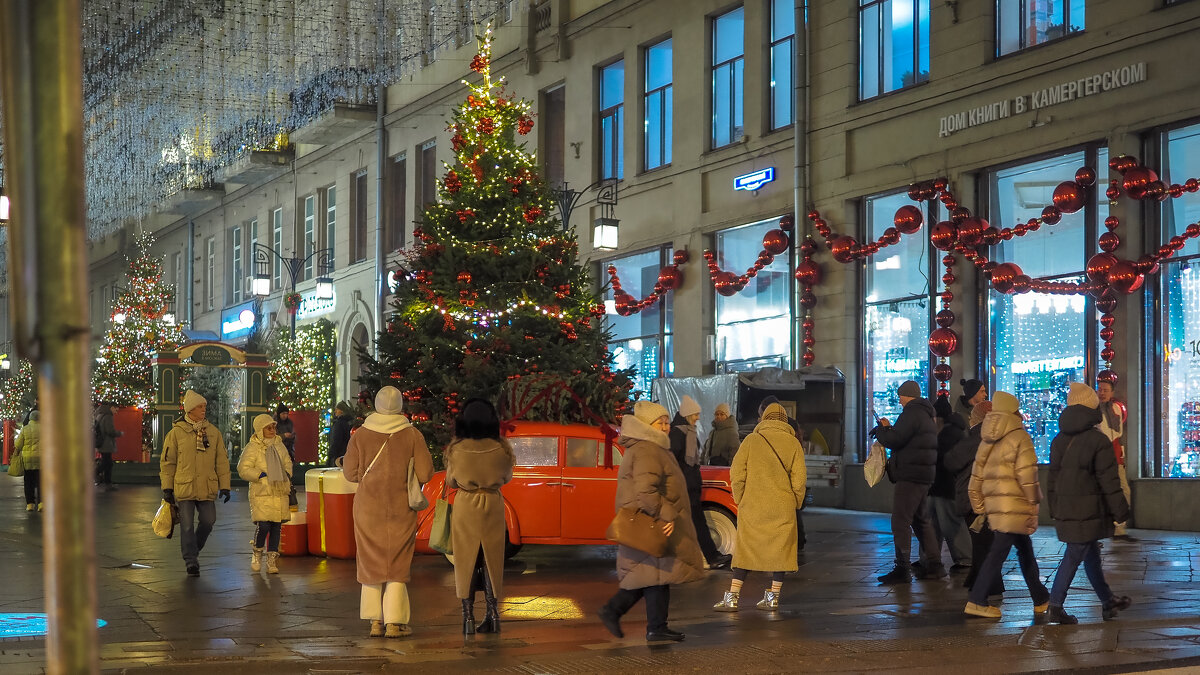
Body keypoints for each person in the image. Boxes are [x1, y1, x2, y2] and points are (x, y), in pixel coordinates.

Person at [598, 401, 705, 643]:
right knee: (654, 574)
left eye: (667, 422)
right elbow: (646, 490)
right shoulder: (648, 449)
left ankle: (641, 621)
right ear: (648, 425)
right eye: (661, 422)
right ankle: (648, 624)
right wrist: (665, 513)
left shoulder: (650, 447)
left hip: (649, 519)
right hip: (651, 520)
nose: (666, 427)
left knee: (653, 575)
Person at [342, 386, 434, 639]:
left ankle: (374, 622)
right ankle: (395, 623)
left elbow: (350, 474)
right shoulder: (412, 434)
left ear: (377, 404)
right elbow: (426, 473)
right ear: (401, 405)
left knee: (370, 561)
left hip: (367, 508)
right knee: (397, 563)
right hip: (401, 508)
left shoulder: (361, 434)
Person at [1045, 382, 1132, 625]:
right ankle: (1055, 604)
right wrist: (1121, 510)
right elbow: (1108, 479)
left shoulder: (1059, 440)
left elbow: (1052, 478)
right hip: (1088, 509)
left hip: (1067, 508)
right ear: (1092, 407)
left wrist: (1053, 507)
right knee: (1074, 555)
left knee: (1090, 554)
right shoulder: (1098, 440)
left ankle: (1107, 601)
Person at [963, 391, 1050, 619]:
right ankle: (977, 600)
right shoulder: (1019, 437)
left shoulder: (986, 437)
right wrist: (1034, 503)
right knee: (998, 553)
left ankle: (1040, 598)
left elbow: (976, 477)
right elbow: (1027, 476)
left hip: (996, 506)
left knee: (1024, 550)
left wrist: (980, 506)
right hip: (1015, 506)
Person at [713, 402, 807, 612]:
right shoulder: (793, 443)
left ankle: (732, 598)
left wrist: (740, 498)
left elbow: (737, 473)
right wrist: (795, 502)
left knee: (746, 550)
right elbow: (799, 479)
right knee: (780, 553)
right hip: (782, 506)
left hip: (753, 505)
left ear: (764, 418)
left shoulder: (752, 440)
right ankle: (772, 598)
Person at [445, 399, 515, 634]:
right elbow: (507, 478)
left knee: (466, 561)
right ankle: (493, 615)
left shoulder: (456, 449)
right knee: (491, 561)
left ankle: (467, 619)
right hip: (493, 504)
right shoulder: (502, 448)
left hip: (466, 504)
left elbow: (451, 481)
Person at [870, 380, 943, 583]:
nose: (899, 401)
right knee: (921, 521)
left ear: (906, 395)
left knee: (900, 521)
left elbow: (896, 439)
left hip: (911, 475)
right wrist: (885, 430)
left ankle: (902, 569)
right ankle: (935, 566)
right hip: (923, 474)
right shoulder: (925, 414)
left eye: (900, 396)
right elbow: (907, 438)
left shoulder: (912, 412)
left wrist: (882, 430)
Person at [160, 390, 232, 577]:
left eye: (204, 406)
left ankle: (193, 549)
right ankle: (190, 561)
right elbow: (168, 462)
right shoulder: (176, 434)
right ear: (190, 409)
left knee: (208, 521)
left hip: (207, 486)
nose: (204, 410)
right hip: (185, 485)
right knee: (186, 525)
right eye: (200, 406)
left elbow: (222, 461)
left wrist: (225, 485)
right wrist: (167, 488)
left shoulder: (213, 433)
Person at [945, 400, 1001, 595]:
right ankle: (978, 580)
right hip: (993, 496)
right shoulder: (999, 435)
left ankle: (988, 587)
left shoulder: (975, 436)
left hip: (974, 497)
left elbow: (952, 460)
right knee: (983, 542)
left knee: (982, 543)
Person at [669, 395, 731, 569]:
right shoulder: (678, 434)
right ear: (688, 414)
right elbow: (673, 461)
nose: (698, 417)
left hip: (691, 485)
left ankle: (710, 557)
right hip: (685, 486)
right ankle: (710, 557)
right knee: (693, 522)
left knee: (695, 522)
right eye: (695, 414)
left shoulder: (687, 431)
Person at [237, 414, 293, 574]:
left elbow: (287, 462)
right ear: (261, 429)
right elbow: (243, 468)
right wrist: (259, 475)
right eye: (268, 427)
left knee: (276, 526)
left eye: (274, 427)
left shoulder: (279, 445)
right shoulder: (253, 447)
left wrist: (287, 474)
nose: (272, 430)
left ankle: (272, 559)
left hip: (279, 491)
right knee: (263, 525)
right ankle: (257, 551)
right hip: (262, 492)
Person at [758, 396, 807, 551]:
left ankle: (784, 541)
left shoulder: (759, 433)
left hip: (777, 473)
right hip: (789, 472)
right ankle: (797, 540)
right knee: (792, 511)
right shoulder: (792, 423)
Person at [929, 395, 971, 572]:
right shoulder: (950, 432)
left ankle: (965, 559)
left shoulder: (948, 434)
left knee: (950, 525)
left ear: (938, 417)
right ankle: (931, 559)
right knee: (935, 524)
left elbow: (946, 461)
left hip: (946, 487)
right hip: (941, 487)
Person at [1097, 380, 1132, 540]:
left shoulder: (1116, 408)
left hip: (1115, 453)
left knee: (1123, 488)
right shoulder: (1094, 410)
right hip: (1101, 454)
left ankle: (1120, 523)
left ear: (1112, 393)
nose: (1102, 393)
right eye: (1100, 390)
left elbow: (1118, 432)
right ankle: (1105, 523)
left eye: (1105, 390)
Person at [15, 410, 41, 512]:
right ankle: (41, 503)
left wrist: (16, 453)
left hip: (27, 459)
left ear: (30, 418)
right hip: (41, 459)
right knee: (41, 482)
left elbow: (18, 444)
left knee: (28, 482)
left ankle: (30, 504)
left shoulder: (25, 429)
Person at [95, 402, 123, 491]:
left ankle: (108, 482)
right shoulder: (108, 416)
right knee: (107, 463)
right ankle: (98, 477)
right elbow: (109, 430)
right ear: (112, 407)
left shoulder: (100, 414)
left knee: (107, 463)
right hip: (106, 443)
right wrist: (119, 433)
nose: (116, 412)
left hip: (101, 442)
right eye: (116, 409)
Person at [328, 401, 354, 468]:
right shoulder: (351, 422)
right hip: (349, 454)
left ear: (342, 411)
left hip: (339, 456)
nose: (335, 411)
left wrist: (331, 455)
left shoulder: (339, 424)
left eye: (337, 409)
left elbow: (336, 440)